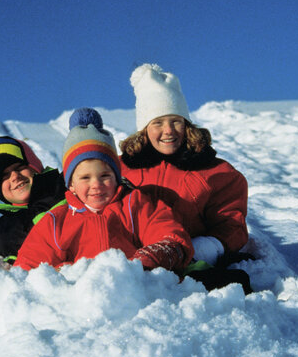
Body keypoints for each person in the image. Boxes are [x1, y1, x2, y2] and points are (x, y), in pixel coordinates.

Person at [120, 63, 253, 294]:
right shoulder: (121, 169)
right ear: (144, 129)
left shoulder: (214, 172)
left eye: (176, 121)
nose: (168, 130)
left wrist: (210, 246)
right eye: (158, 123)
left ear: (187, 125)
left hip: (189, 259)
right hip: (135, 261)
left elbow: (232, 223)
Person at [14, 108, 193, 274]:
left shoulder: (135, 205)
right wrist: (68, 272)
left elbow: (171, 237)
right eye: (85, 178)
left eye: (105, 176)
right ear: (71, 185)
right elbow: (27, 266)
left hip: (136, 291)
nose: (96, 184)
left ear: (116, 177)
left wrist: (147, 259)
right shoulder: (56, 222)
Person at [0, 135, 66, 265]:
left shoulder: (64, 188)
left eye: (19, 167)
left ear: (35, 166)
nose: (14, 176)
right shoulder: (4, 229)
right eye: (4, 176)